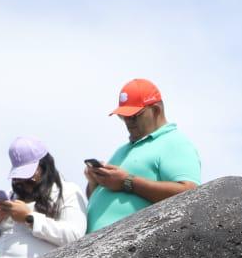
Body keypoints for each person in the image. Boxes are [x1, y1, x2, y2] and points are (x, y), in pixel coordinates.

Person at [84, 78, 201, 232]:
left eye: (134, 116)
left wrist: (127, 182)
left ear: (156, 110)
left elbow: (190, 194)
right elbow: (101, 198)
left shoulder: (174, 142)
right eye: (123, 116)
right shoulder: (122, 150)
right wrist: (95, 182)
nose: (127, 122)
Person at [0, 137, 87, 258]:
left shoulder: (68, 191)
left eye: (30, 178)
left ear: (45, 166)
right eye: (19, 179)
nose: (24, 184)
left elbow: (75, 236)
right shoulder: (10, 195)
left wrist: (29, 218)